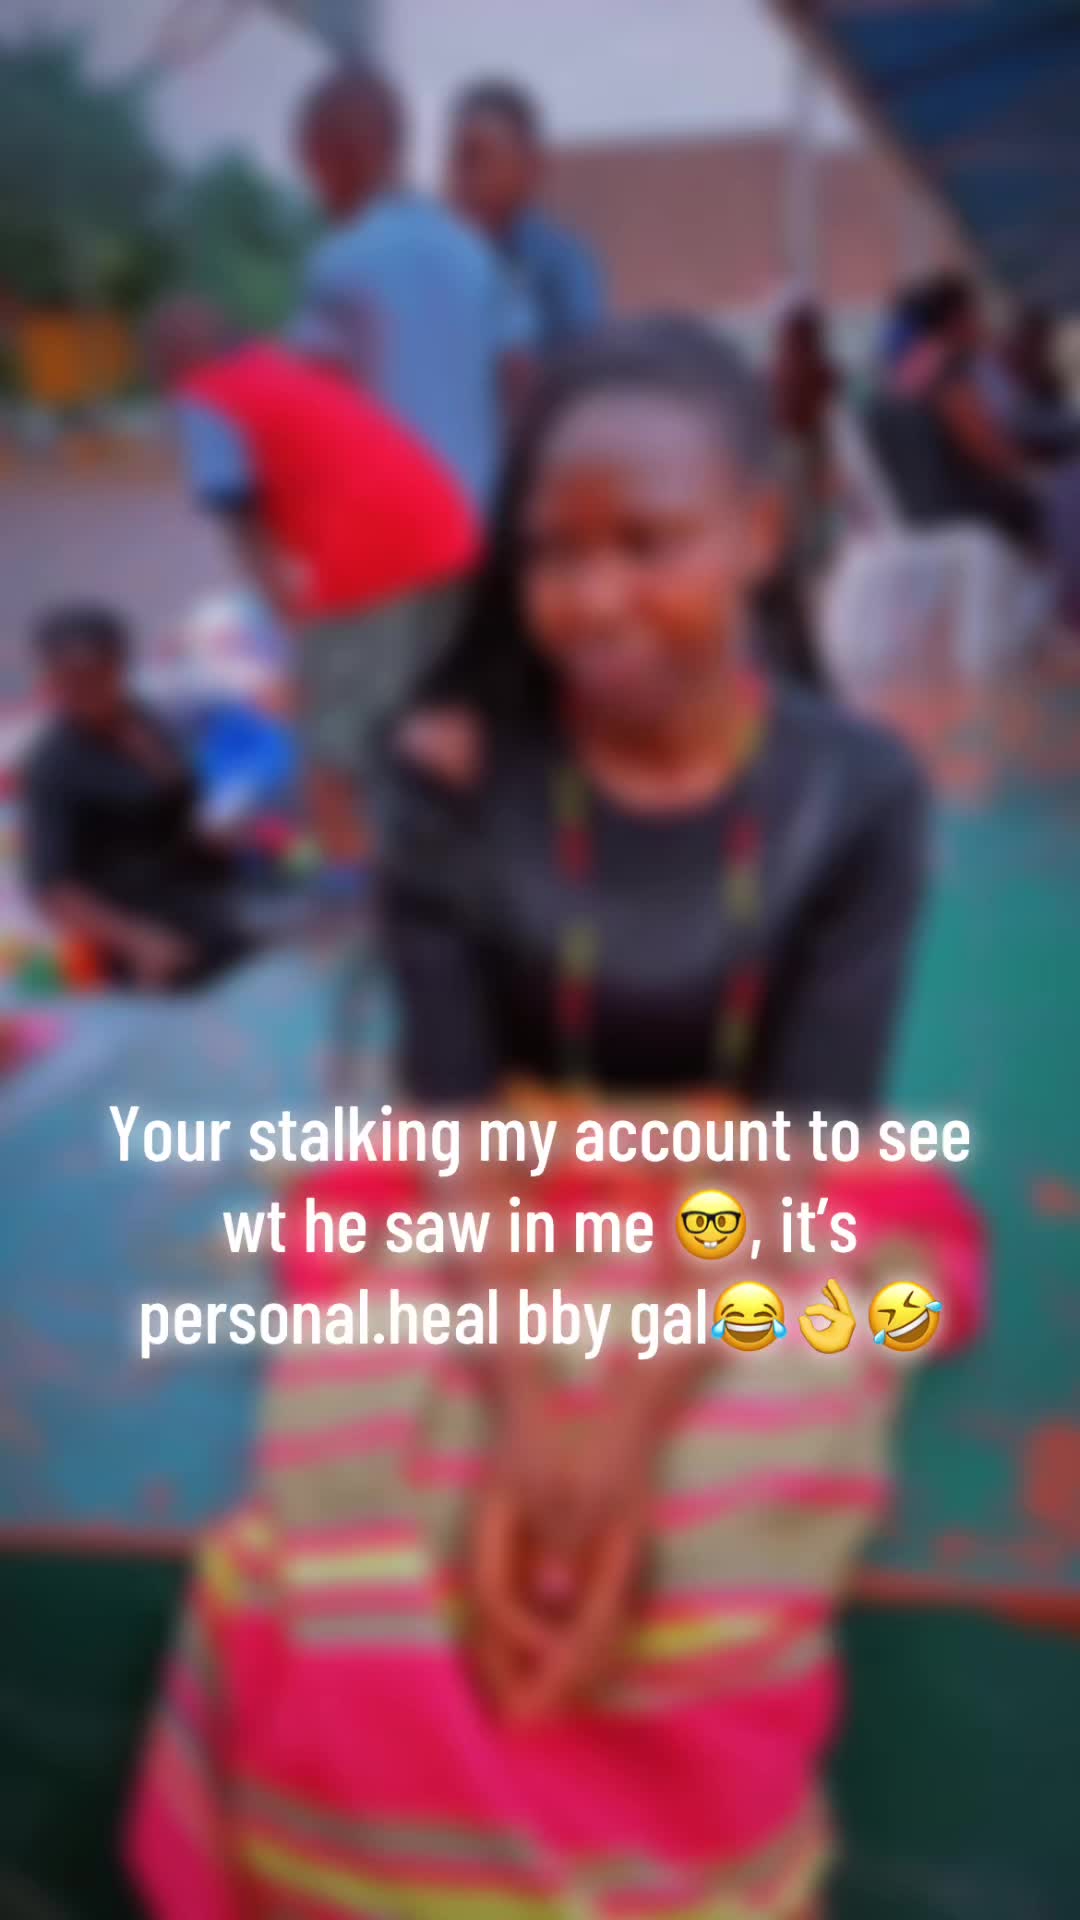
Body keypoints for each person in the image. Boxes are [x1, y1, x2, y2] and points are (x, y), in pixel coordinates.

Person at [128, 324, 983, 1920]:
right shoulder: (447, 778)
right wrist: (531, 1397)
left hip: (750, 1197)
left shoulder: (857, 789)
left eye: (649, 543)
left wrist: (632, 1412)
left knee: (734, 1523)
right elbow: (453, 1122)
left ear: (760, 530)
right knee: (361, 1501)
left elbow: (792, 1147)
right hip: (493, 1188)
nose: (592, 601)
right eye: (555, 555)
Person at [148, 296, 480, 866]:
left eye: (154, 364)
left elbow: (245, 526)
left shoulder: (205, 397)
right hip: (450, 534)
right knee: (432, 708)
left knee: (328, 744)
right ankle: (467, 848)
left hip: (368, 557)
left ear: (173, 355)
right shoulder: (278, 368)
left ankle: (355, 883)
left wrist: (294, 626)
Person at [295, 61, 533, 508]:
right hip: (477, 521)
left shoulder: (339, 263)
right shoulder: (480, 255)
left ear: (327, 154)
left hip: (382, 525)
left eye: (310, 164)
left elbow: (319, 412)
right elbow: (520, 390)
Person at [22, 607, 250, 989]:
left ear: (117, 669)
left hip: (187, 887)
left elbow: (182, 801)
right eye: (70, 679)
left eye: (95, 675)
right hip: (126, 922)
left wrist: (216, 834)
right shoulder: (53, 766)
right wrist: (135, 941)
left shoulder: (141, 722)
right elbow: (52, 886)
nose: (83, 690)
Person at [865, 273, 1041, 550]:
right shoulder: (947, 373)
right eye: (976, 314)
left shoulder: (902, 373)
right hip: (963, 521)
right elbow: (995, 456)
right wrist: (1040, 475)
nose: (982, 324)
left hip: (915, 520)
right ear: (958, 319)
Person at [448, 78, 606, 353]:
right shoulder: (441, 257)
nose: (461, 174)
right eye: (457, 158)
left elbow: (584, 358)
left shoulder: (560, 263)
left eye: (475, 156)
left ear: (528, 164)